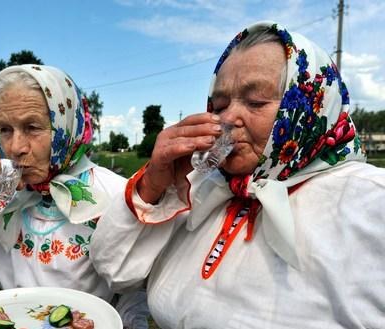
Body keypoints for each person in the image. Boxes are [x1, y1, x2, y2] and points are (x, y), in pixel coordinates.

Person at [90, 21, 385, 328]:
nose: (227, 118)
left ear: (311, 104)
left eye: (255, 102)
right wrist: (154, 183)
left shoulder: (370, 204)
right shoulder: (204, 186)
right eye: (219, 105)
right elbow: (116, 271)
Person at [0, 64, 149, 328]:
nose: (15, 148)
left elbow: (133, 292)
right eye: (4, 129)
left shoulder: (114, 195)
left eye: (32, 127)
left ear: (66, 125)